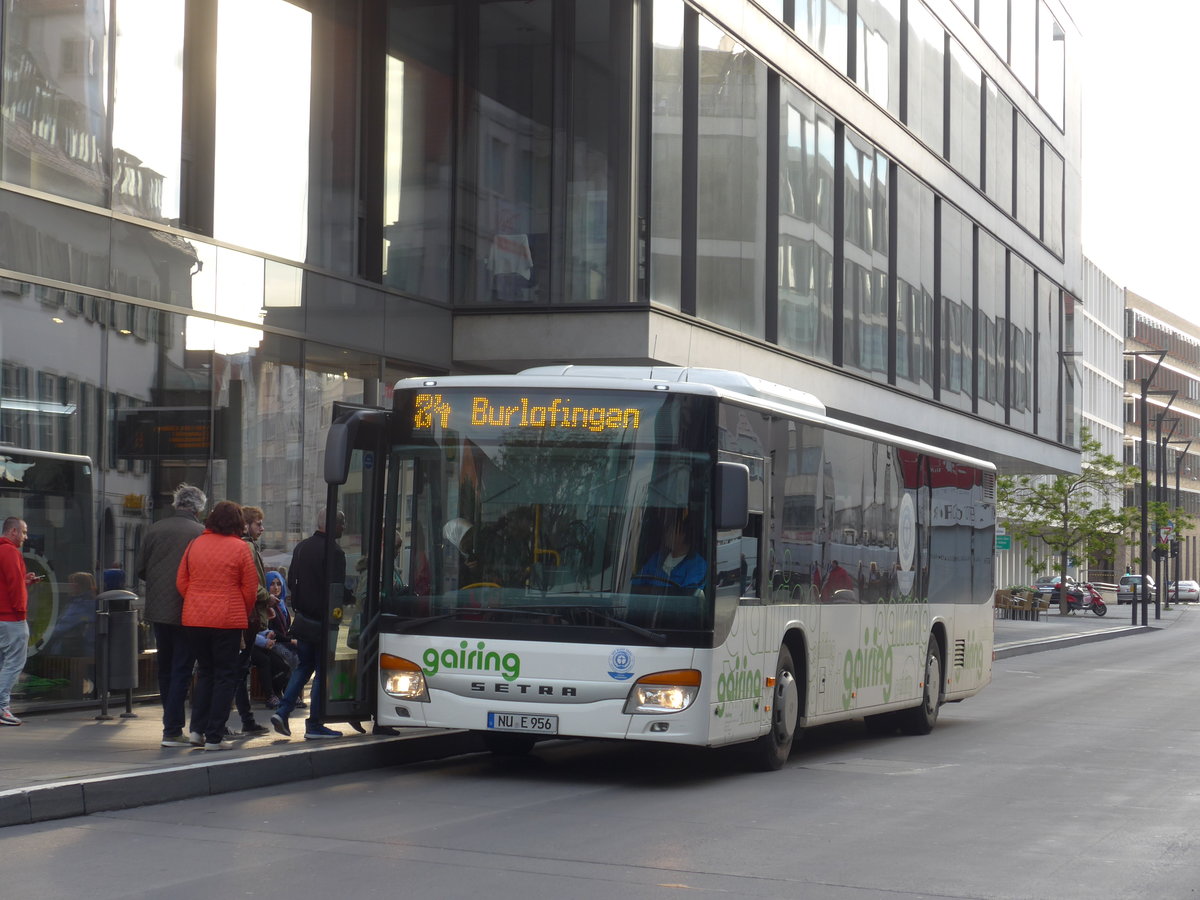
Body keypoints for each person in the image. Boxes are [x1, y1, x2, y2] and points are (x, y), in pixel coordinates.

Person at [177, 501, 259, 751]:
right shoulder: (240, 548)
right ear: (237, 522)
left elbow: (182, 581)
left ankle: (196, 731)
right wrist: (240, 613)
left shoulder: (195, 544)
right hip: (227, 620)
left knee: (205, 673)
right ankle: (214, 736)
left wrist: (196, 600)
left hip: (195, 619)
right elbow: (250, 590)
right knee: (225, 676)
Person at [137, 483, 206, 748]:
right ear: (198, 509)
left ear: (177, 504)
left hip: (157, 610)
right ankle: (173, 729)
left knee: (165, 669)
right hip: (186, 611)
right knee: (181, 669)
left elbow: (141, 569)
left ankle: (170, 724)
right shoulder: (200, 533)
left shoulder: (154, 529)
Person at [271, 507, 347, 740]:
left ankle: (282, 712)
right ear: (333, 525)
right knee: (321, 671)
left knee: (304, 667)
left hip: (302, 621)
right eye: (342, 524)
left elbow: (292, 582)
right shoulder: (334, 551)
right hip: (323, 623)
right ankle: (314, 724)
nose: (344, 528)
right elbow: (336, 590)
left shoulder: (302, 547)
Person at [229, 506, 271, 736]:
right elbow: (251, 584)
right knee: (237, 671)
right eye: (258, 524)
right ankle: (241, 720)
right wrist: (268, 597)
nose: (262, 528)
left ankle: (246, 719)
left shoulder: (247, 545)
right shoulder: (246, 547)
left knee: (239, 670)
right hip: (247, 615)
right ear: (246, 524)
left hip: (247, 614)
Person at [1, 517, 40, 726]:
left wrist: (24, 581)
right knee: (14, 663)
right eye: (24, 532)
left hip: (1, 616)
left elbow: (8, 583)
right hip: (11, 618)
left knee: (3, 663)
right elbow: (14, 587)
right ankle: (1, 707)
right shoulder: (10, 552)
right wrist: (21, 612)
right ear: (13, 531)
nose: (25, 537)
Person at [632, 510, 707, 592]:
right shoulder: (656, 558)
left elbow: (687, 595)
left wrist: (651, 590)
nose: (666, 534)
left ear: (683, 535)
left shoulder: (697, 565)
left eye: (670, 531)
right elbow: (635, 584)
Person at [42, 572, 97, 658]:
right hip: (87, 651)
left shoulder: (81, 605)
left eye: (72, 583)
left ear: (78, 586)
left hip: (74, 653)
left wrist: (41, 635)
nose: (69, 586)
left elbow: (61, 627)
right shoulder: (90, 602)